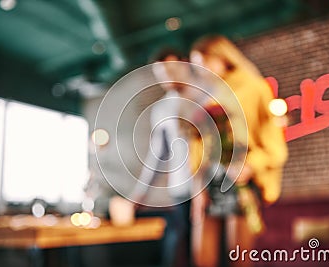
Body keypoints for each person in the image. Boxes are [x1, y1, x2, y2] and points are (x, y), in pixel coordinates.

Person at [189, 35, 288, 267]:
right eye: (196, 65)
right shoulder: (206, 94)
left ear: (221, 58)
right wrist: (197, 187)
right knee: (202, 255)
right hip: (209, 179)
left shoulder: (254, 87)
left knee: (240, 256)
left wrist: (252, 165)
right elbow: (198, 145)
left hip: (241, 178)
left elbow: (274, 142)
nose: (200, 70)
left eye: (203, 62)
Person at [110, 48, 193, 267]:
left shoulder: (207, 94)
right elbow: (158, 157)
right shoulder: (162, 109)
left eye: (171, 69)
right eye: (161, 73)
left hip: (213, 188)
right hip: (182, 192)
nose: (167, 77)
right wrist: (139, 196)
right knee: (180, 250)